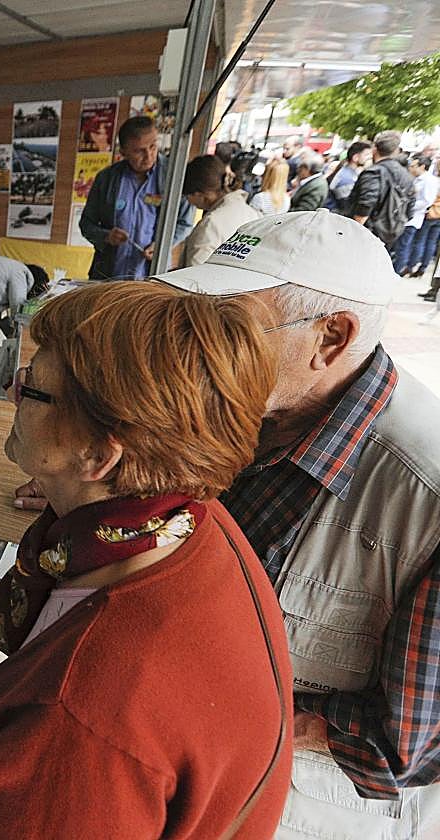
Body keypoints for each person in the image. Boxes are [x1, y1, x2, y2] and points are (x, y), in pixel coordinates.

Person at [0, 281, 293, 838]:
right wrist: (62, 494)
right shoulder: (189, 515)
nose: (11, 392)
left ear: (98, 457)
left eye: (31, 389)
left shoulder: (81, 709)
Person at [150, 210, 440, 838]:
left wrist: (214, 708)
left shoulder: (425, 499)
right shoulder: (266, 404)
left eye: (232, 329)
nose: (204, 349)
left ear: (332, 338)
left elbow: (402, 743)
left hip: (300, 811)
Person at [79, 116, 195, 279]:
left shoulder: (174, 176)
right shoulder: (106, 179)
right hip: (108, 275)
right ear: (123, 152)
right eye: (139, 151)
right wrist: (106, 236)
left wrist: (162, 244)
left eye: (153, 146)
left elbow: (185, 222)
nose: (149, 156)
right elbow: (86, 223)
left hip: (151, 275)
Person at [180, 154, 261, 267]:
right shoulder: (251, 213)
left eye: (187, 195)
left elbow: (194, 276)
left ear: (199, 194)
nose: (188, 201)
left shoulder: (210, 225)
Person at [347, 130, 415, 246]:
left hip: (365, 234)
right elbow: (410, 209)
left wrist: (353, 232)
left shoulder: (374, 172)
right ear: (396, 151)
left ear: (375, 149)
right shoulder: (407, 176)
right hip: (389, 235)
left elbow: (365, 205)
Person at [395, 154, 440, 278]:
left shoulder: (429, 180)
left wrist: (407, 206)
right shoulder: (418, 178)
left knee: (410, 244)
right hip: (413, 215)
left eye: (414, 166)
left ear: (422, 166)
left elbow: (426, 201)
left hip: (417, 216)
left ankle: (403, 269)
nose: (411, 168)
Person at [324, 141, 371, 211]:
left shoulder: (348, 172)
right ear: (355, 157)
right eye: (367, 155)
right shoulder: (346, 178)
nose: (370, 157)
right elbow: (347, 207)